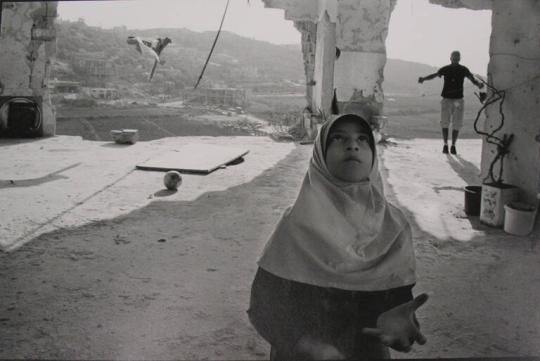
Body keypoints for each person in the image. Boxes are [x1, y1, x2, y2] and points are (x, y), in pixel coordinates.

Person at [247, 114, 428, 360]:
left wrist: (396, 318)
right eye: (338, 138)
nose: (352, 145)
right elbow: (263, 306)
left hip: (366, 352)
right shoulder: (295, 224)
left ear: (374, 155)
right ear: (320, 154)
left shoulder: (393, 226)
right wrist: (308, 345)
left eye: (362, 139)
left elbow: (396, 299)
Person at [418, 50, 483, 155]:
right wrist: (424, 79)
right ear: (451, 58)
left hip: (458, 100)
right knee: (445, 123)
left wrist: (478, 84)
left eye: (457, 58)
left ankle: (453, 145)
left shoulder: (463, 69)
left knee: (457, 124)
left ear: (459, 59)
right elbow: (435, 75)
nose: (455, 59)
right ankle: (445, 145)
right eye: (454, 57)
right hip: (447, 100)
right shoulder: (446, 69)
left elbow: (472, 79)